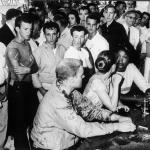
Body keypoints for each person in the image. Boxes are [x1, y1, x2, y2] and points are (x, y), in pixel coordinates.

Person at [31, 58, 136, 150]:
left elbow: (91, 110)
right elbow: (83, 130)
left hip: (66, 142)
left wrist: (117, 117)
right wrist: (117, 126)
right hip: (51, 147)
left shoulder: (69, 91)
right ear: (71, 78)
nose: (84, 76)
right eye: (81, 75)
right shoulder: (58, 101)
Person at [6, 13, 39, 149]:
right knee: (20, 129)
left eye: (30, 29)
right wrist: (31, 67)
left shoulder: (27, 43)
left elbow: (34, 67)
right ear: (17, 28)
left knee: (33, 122)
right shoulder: (12, 47)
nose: (29, 32)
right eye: (25, 29)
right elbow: (19, 75)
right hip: (18, 90)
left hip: (28, 88)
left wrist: (28, 69)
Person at [32, 21, 66, 102]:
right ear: (44, 35)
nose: (51, 37)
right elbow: (34, 75)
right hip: (44, 89)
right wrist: (43, 92)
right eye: (48, 34)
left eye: (54, 34)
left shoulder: (62, 49)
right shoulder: (38, 51)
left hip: (60, 89)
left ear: (58, 34)